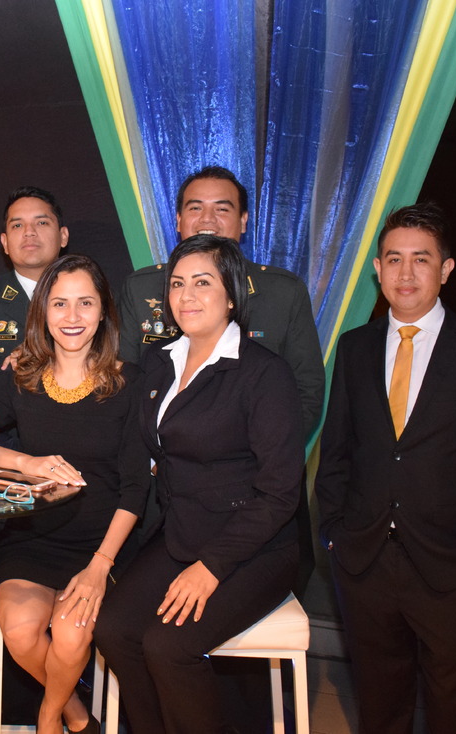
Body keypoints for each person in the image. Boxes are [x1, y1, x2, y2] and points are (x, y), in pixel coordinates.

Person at [315, 203, 456, 734]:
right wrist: (336, 536)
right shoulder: (354, 348)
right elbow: (336, 451)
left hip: (454, 568)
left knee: (451, 706)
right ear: (378, 268)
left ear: (446, 269)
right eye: (394, 259)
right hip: (364, 562)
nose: (406, 273)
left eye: (421, 259)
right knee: (379, 704)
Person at [95, 235, 303, 734]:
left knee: (168, 646)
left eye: (202, 283)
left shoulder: (264, 374)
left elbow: (280, 494)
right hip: (182, 534)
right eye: (177, 284)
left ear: (231, 295)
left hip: (254, 548)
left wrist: (210, 568)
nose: (186, 296)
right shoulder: (160, 362)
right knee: (114, 631)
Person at [118, 165, 324, 596]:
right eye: (195, 208)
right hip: (158, 498)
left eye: (222, 208)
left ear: (244, 221)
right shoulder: (143, 287)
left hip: (251, 500)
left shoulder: (281, 291)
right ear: (178, 220)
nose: (207, 219)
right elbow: (129, 380)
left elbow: (305, 393)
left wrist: (245, 461)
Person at [0, 254, 148, 734]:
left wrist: (100, 566)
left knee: (69, 637)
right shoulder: (21, 377)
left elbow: (137, 487)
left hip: (101, 546)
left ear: (103, 311)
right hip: (31, 540)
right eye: (60, 303)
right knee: (21, 634)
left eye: (85, 303)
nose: (72, 316)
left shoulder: (129, 382)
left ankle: (49, 720)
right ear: (42, 312)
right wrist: (25, 462)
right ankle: (77, 715)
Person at [0, 186, 70, 387]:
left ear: (63, 236)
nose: (29, 232)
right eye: (17, 225)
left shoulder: (89, 297)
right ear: (5, 242)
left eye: (41, 222)